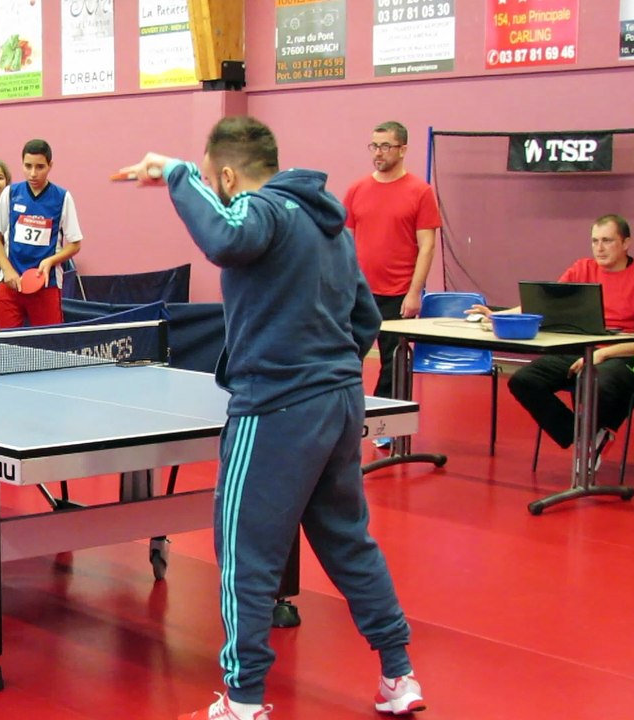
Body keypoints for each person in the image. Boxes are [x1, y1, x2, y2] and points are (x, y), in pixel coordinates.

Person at [119, 115, 424, 720]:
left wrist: (178, 173)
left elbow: (226, 237)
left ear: (227, 175)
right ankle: (399, 673)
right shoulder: (328, 223)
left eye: (212, 180)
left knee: (243, 551)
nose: (211, 190)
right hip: (338, 402)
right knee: (345, 540)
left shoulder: (265, 211)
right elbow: (365, 317)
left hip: (277, 406)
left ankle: (244, 699)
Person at [472, 215, 634, 463]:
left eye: (607, 240)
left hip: (622, 354)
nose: (599, 248)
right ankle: (584, 436)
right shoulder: (582, 268)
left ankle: (594, 434)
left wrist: (603, 354)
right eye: (595, 241)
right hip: (578, 349)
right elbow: (543, 305)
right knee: (524, 380)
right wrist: (498, 316)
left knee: (596, 381)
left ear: (626, 243)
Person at [343, 120, 441, 446]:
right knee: (346, 357)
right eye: (374, 146)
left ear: (402, 149)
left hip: (398, 292)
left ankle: (385, 426)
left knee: (393, 361)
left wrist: (415, 292)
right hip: (359, 292)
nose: (378, 153)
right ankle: (345, 416)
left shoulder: (420, 192)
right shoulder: (357, 190)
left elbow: (426, 245)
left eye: (385, 146)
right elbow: (345, 240)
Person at [0, 139, 82, 329]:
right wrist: (7, 270)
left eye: (40, 167)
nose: (33, 173)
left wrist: (50, 261)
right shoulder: (11, 193)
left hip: (46, 284)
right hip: (11, 284)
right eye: (28, 166)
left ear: (50, 166)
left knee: (48, 345)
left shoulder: (62, 197)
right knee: (3, 346)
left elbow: (75, 244)